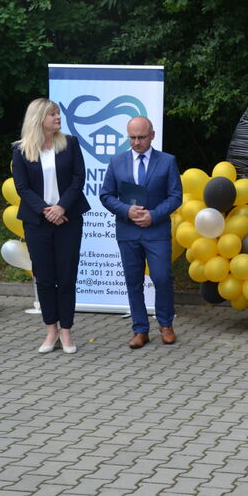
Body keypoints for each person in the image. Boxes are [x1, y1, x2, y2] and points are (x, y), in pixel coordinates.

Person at [12, 98, 90, 354]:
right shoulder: (21, 149)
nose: (58, 118)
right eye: (53, 114)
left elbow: (79, 178)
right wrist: (46, 210)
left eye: (58, 114)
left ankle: (67, 333)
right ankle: (50, 332)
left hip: (68, 219)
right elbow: (22, 187)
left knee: (66, 277)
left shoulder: (70, 144)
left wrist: (61, 207)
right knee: (44, 279)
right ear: (39, 119)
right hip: (37, 222)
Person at [100, 116, 182, 349]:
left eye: (141, 137)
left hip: (156, 231)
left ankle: (166, 325)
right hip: (128, 231)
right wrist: (127, 210)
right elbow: (106, 195)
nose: (136, 142)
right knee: (133, 281)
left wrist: (153, 215)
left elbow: (176, 196)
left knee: (162, 277)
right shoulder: (117, 162)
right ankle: (140, 330)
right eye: (132, 137)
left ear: (152, 135)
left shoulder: (167, 161)